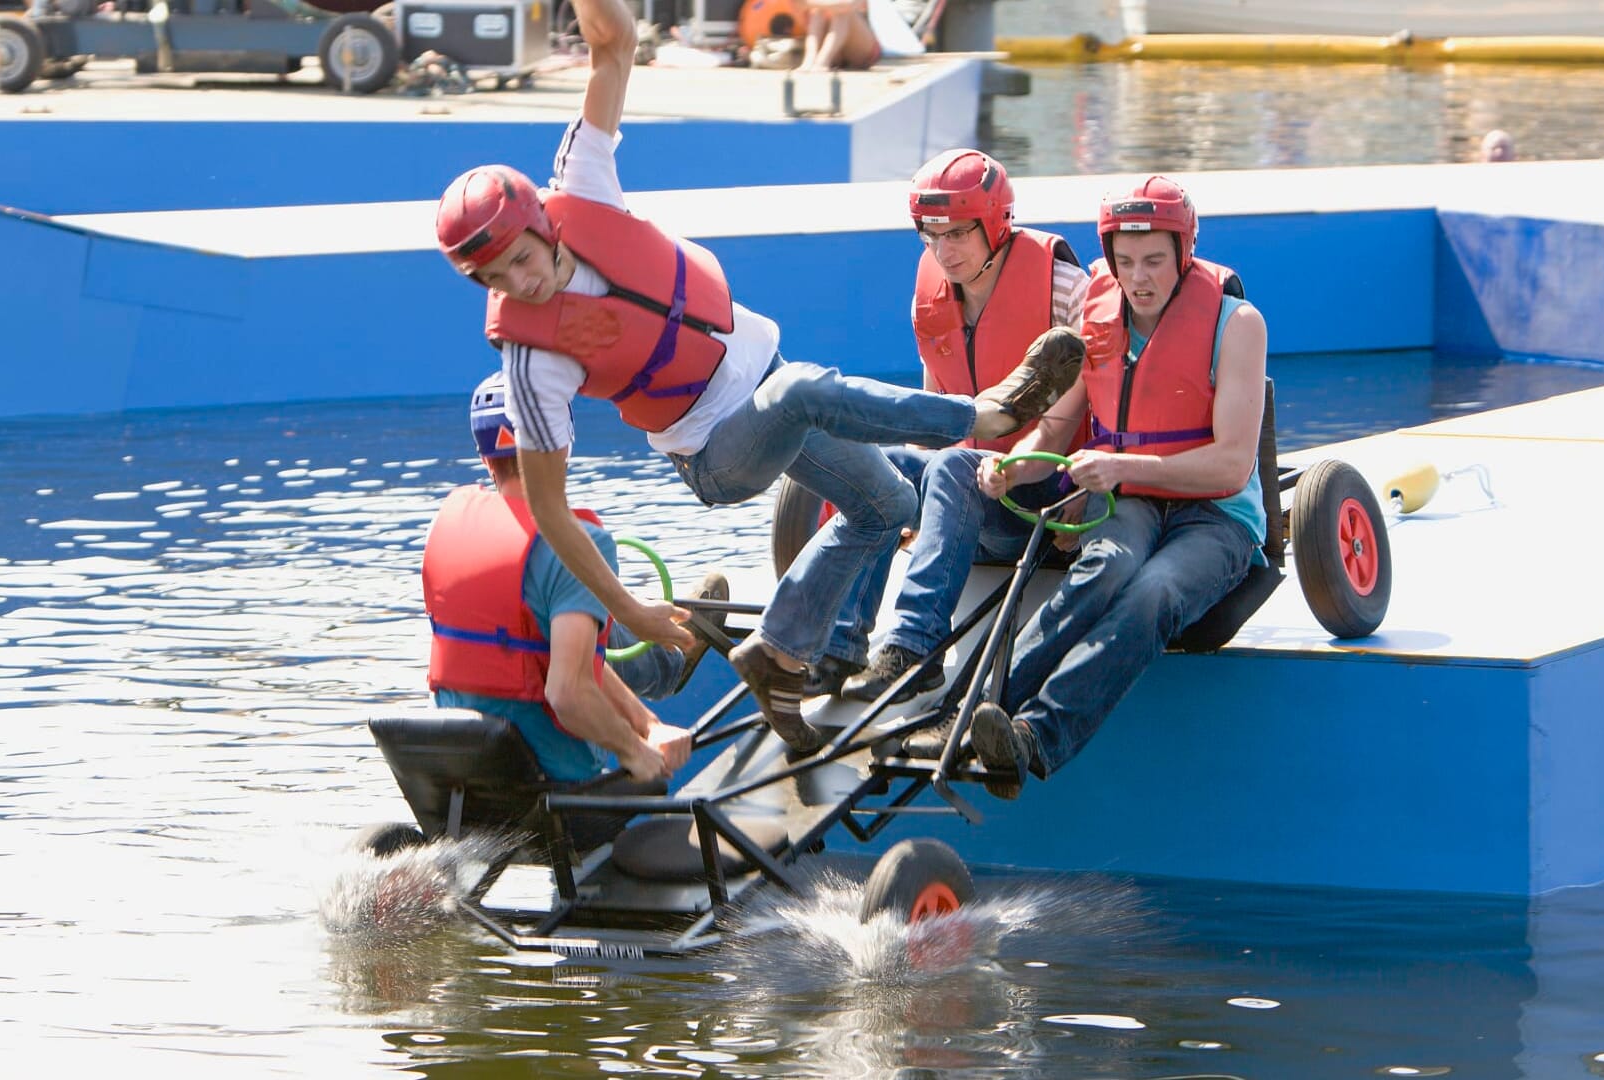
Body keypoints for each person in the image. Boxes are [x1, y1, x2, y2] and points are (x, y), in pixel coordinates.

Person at [431, 0, 1085, 755]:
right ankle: (986, 418)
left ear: (544, 226)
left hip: (759, 381)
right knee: (804, 392)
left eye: (521, 258)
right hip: (717, 451)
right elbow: (549, 511)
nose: (520, 283)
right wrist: (634, 611)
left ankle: (787, 654)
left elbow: (613, 42)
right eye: (493, 277)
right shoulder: (532, 360)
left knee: (886, 504)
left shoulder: (583, 181)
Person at [946, 176, 1269, 799]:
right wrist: (1012, 465)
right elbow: (1058, 426)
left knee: (1153, 592)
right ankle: (965, 715)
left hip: (1217, 516)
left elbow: (1231, 467)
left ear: (1185, 251)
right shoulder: (1096, 317)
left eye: (1153, 261)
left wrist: (1124, 469)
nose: (1138, 278)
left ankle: (1033, 740)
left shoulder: (1239, 324)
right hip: (1130, 503)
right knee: (1106, 568)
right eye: (1124, 262)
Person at [809, 148, 1095, 703]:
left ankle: (916, 646)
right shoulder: (932, 292)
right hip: (962, 485)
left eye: (958, 234)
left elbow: (1059, 430)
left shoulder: (1066, 290)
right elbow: (931, 413)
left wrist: (1007, 472)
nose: (944, 251)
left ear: (995, 223)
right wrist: (908, 502)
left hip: (1039, 499)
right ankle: (839, 643)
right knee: (881, 463)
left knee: (953, 466)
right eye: (930, 235)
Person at [423, 373, 728, 784]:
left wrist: (648, 724)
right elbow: (567, 694)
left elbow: (551, 660)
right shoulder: (577, 546)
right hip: (550, 777)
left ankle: (664, 668)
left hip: (461, 767)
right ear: (562, 444)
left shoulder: (447, 527)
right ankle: (669, 665)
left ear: (483, 456)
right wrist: (635, 751)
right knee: (649, 779)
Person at [798, 0, 881, 72]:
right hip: (837, 55)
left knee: (842, 11)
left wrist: (811, 3)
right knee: (817, 12)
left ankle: (823, 61)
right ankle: (810, 59)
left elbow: (850, 5)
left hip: (861, 51)